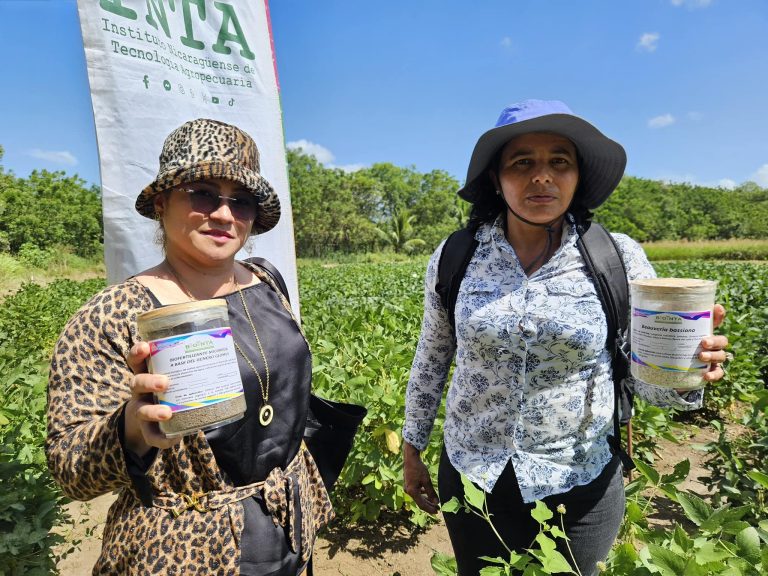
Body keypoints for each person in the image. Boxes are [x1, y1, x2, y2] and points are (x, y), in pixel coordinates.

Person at [401, 100, 730, 576]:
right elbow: (432, 356)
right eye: (522, 162)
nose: (542, 176)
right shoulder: (458, 256)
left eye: (560, 161)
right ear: (496, 178)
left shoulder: (617, 257)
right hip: (473, 472)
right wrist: (412, 448)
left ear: (577, 177)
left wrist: (686, 373)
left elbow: (648, 381)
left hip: (580, 481)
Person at [46, 118, 332, 576]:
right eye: (202, 193)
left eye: (241, 202)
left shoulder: (267, 281)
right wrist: (132, 430)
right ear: (162, 202)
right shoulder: (113, 315)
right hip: (186, 548)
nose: (224, 214)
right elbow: (69, 467)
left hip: (289, 523)